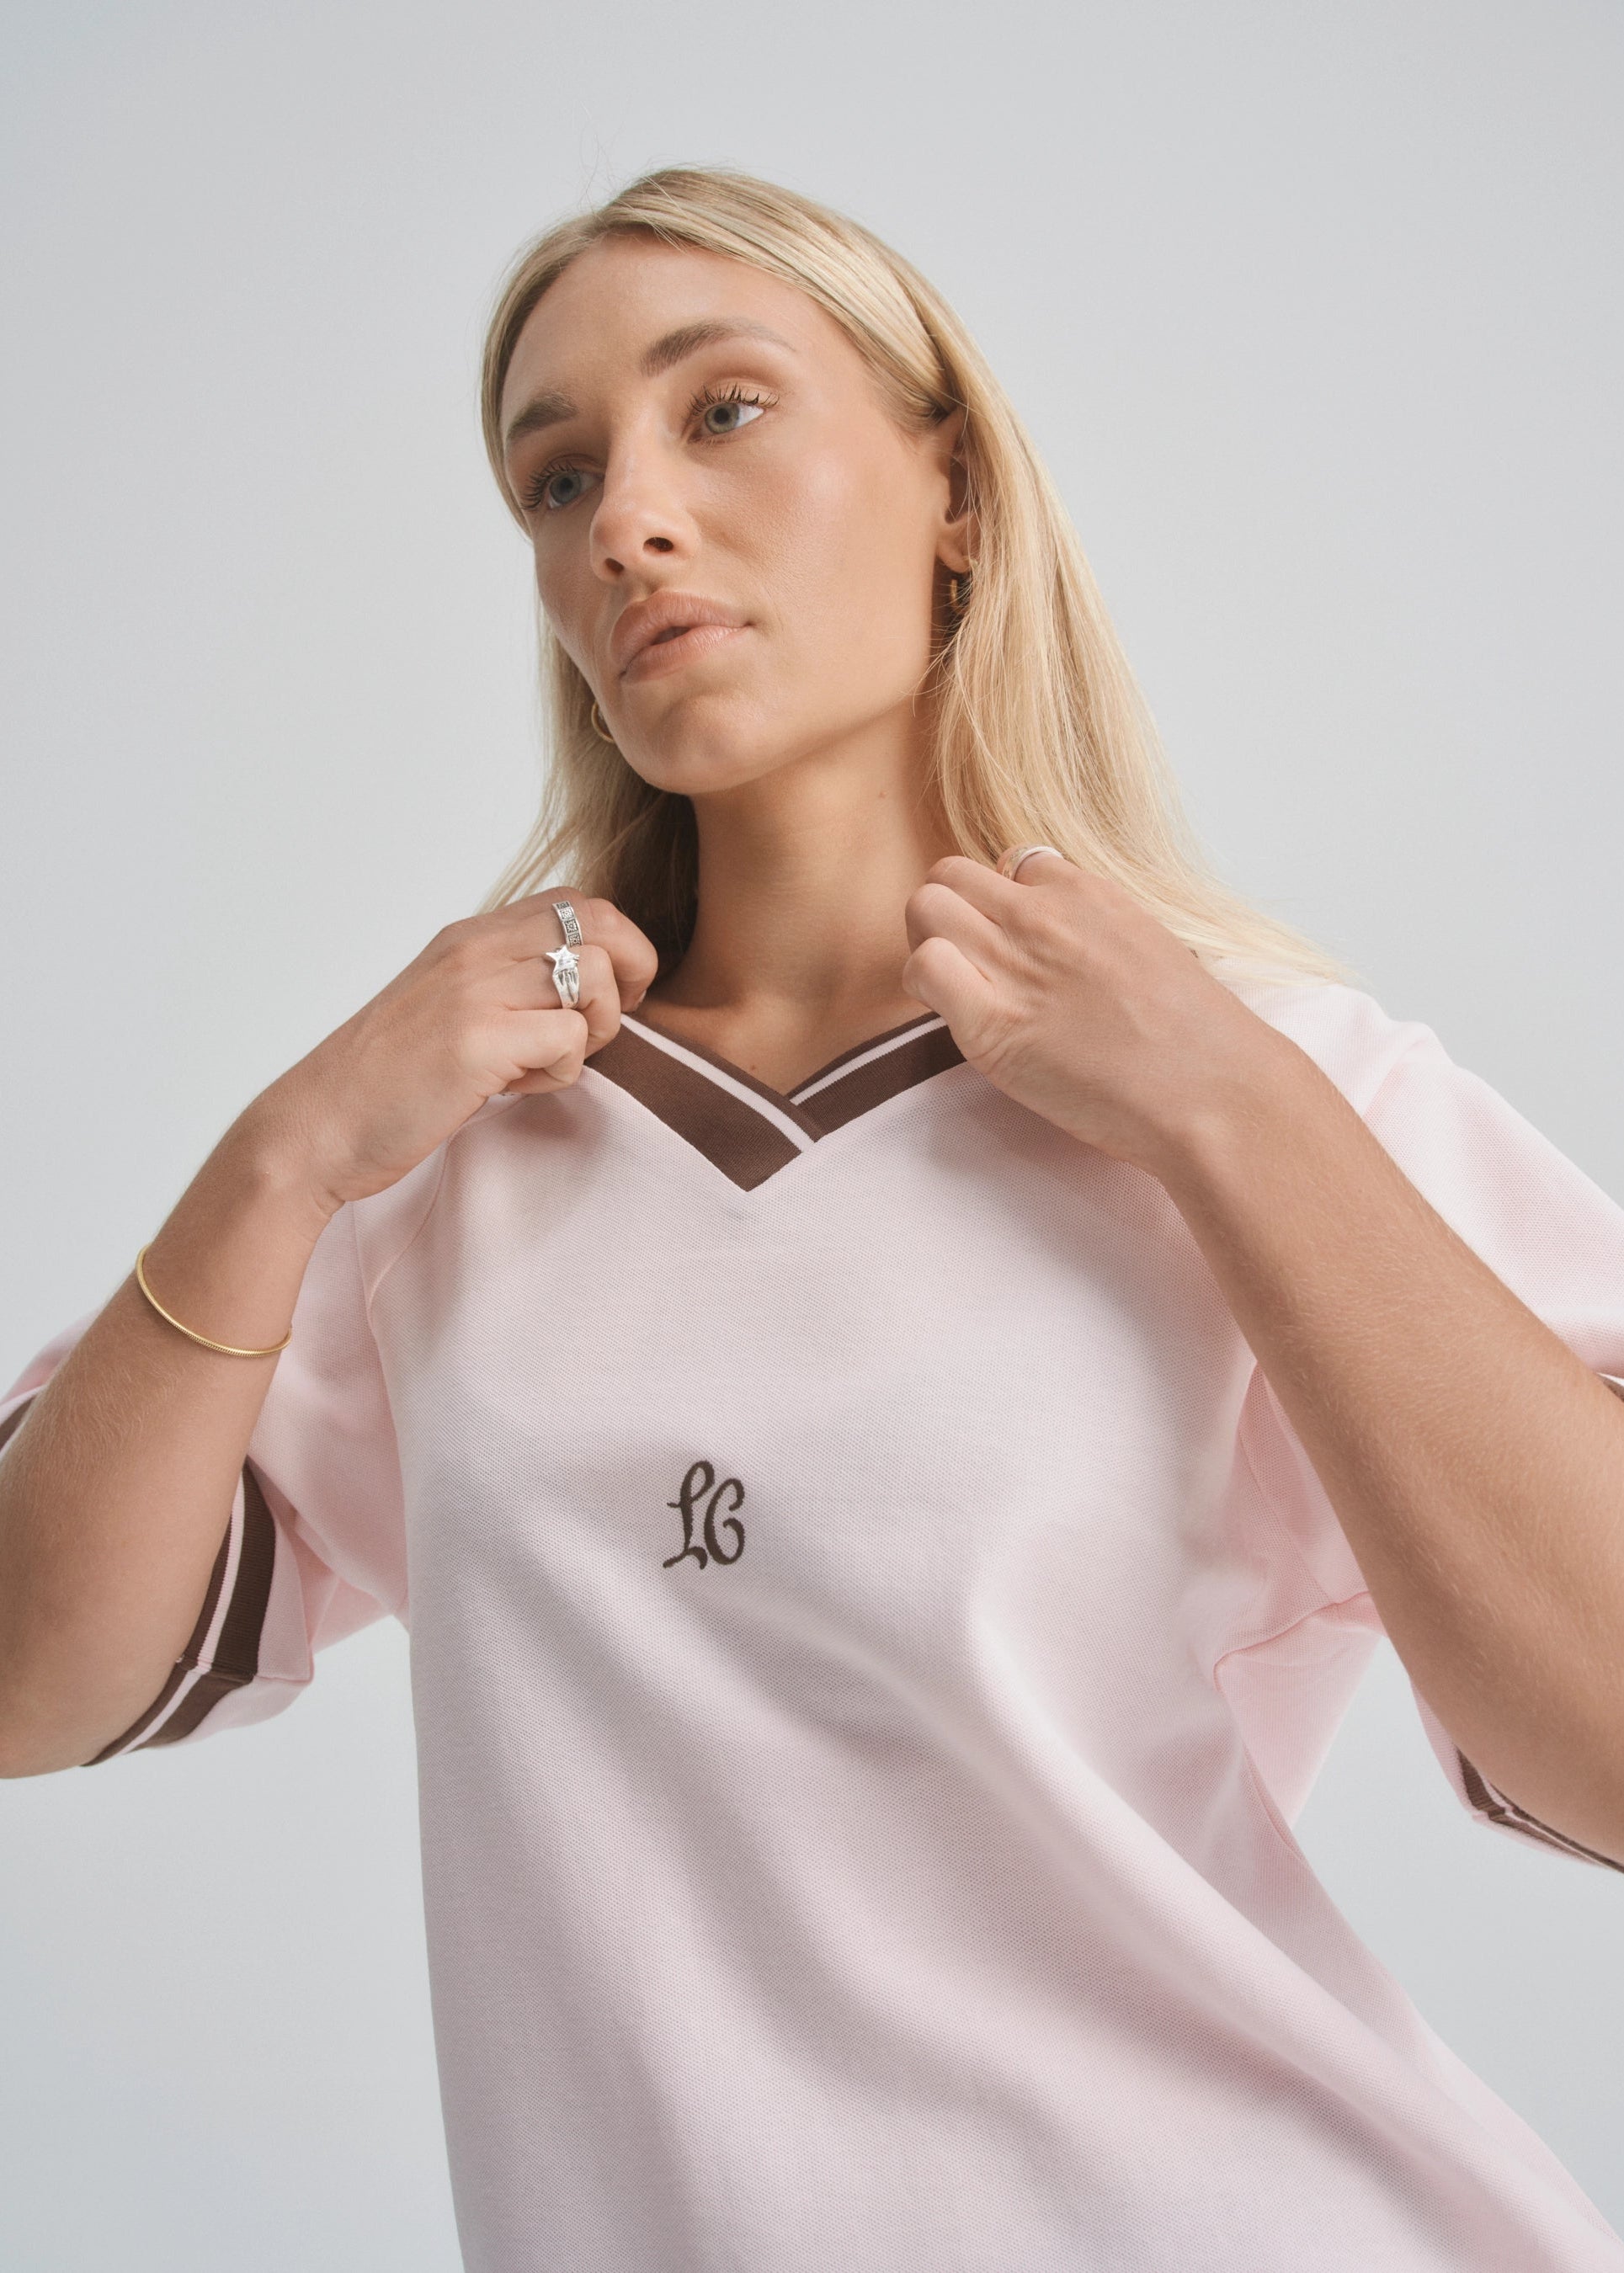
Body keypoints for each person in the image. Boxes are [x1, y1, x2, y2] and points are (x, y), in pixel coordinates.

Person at [2, 165, 1622, 2273]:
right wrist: (282, 1157)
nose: (625, 522)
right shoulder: (453, 1158)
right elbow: (28, 1678)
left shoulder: (1282, 1082)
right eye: (553, 477)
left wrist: (1230, 1110)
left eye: (724, 410)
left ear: (952, 483)